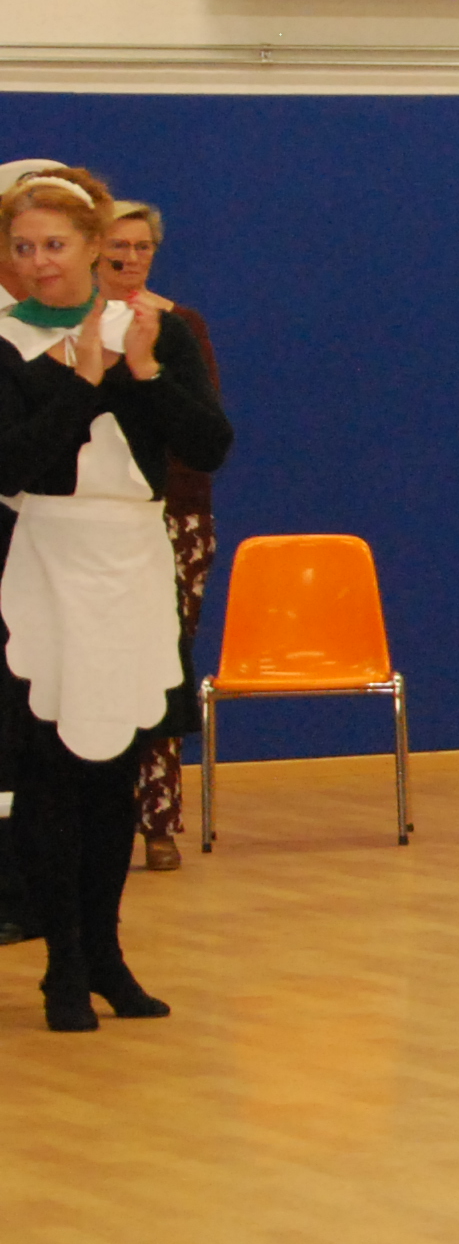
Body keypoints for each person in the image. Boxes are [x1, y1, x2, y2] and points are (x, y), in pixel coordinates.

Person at [0, 169, 232, 1027]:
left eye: (56, 245)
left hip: (132, 561)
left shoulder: (156, 330)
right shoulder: (5, 340)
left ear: (95, 248)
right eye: (23, 247)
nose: (40, 262)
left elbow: (208, 445)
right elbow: (13, 463)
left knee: (117, 771)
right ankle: (62, 963)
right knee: (50, 772)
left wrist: (141, 371)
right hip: (45, 562)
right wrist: (81, 381)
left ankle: (106, 952)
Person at [98, 200, 217, 871]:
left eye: (142, 246)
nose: (130, 258)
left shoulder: (178, 326)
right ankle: (95, 817)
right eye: (117, 246)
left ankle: (159, 821)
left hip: (174, 515)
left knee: (162, 670)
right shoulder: (65, 327)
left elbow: (203, 431)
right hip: (90, 522)